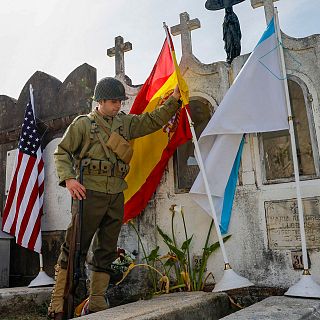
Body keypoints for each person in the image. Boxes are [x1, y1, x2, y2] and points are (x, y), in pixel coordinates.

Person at [48, 77, 181, 319]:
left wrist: (173, 101)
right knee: (74, 247)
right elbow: (62, 151)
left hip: (116, 194)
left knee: (106, 249)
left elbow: (151, 121)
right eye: (113, 101)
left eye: (120, 101)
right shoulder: (83, 125)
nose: (118, 105)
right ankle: (58, 304)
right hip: (88, 193)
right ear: (100, 102)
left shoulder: (124, 123)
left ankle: (97, 301)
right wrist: (69, 179)